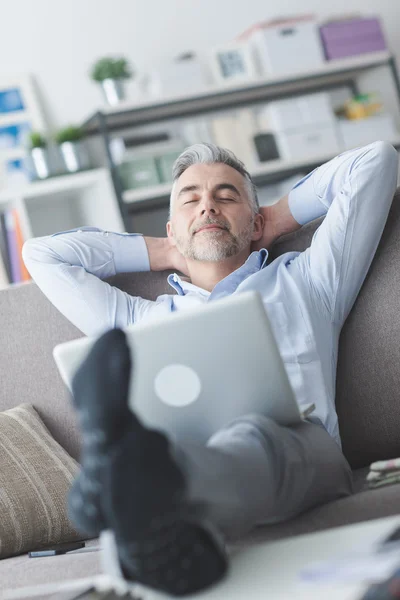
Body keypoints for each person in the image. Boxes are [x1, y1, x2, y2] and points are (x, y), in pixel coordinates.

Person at [23, 141, 398, 596]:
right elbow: (42, 255)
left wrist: (278, 216)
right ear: (171, 230)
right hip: (186, 459)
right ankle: (160, 509)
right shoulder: (140, 319)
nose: (208, 207)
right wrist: (162, 250)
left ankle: (142, 486)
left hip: (301, 453)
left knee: (254, 439)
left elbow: (376, 161)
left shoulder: (308, 280)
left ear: (255, 221)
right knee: (169, 454)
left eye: (226, 196)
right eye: (191, 199)